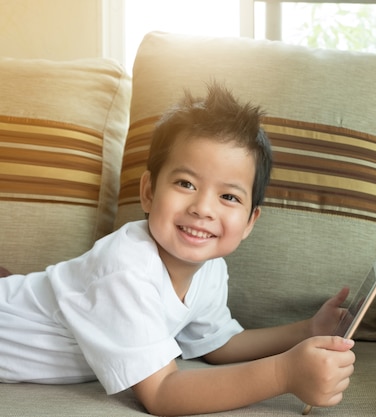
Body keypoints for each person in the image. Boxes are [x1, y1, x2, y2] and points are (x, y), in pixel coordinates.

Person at [0, 83, 355, 416]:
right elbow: (162, 392)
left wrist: (307, 331)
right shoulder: (126, 268)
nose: (203, 208)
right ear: (149, 192)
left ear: (250, 221)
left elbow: (219, 344)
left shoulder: (210, 268)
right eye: (186, 183)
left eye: (228, 196)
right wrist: (284, 374)